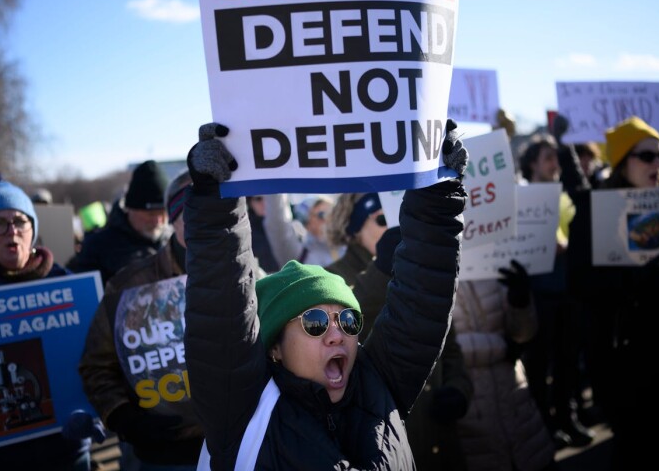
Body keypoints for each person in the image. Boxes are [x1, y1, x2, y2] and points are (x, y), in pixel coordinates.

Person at [183, 120, 468, 469]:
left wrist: (438, 189)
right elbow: (221, 310)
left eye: (348, 321)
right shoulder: (243, 412)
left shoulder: (378, 385)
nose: (337, 334)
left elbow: (422, 299)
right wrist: (215, 202)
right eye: (315, 322)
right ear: (275, 347)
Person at [567, 116, 659, 470]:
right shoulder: (593, 215)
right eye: (646, 156)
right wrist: (629, 282)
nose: (658, 163)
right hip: (627, 368)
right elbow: (581, 286)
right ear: (621, 162)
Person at [0, 181, 92, 470]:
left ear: (32, 229)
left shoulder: (70, 288)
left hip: (66, 451)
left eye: (20, 221)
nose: (12, 231)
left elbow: (98, 364)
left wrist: (95, 410)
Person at [79, 169, 205, 471]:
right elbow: (96, 367)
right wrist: (126, 419)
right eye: (190, 212)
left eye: (214, 212)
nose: (203, 221)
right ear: (173, 220)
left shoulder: (249, 277)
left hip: (241, 448)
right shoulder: (130, 287)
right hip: (163, 456)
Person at [354, 226, 473, 471]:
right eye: (380, 219)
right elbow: (350, 326)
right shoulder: (336, 274)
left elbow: (449, 349)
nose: (389, 225)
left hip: (443, 442)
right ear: (355, 228)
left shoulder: (420, 269)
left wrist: (459, 389)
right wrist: (380, 270)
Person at [517, 133, 594, 447]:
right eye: (548, 157)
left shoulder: (564, 195)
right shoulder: (519, 198)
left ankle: (567, 417)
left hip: (567, 290)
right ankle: (545, 426)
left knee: (567, 360)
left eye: (556, 157)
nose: (555, 164)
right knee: (538, 366)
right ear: (532, 164)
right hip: (537, 295)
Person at [453, 260, 556, 471]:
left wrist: (521, 303)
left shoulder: (491, 260)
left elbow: (523, 335)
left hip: (518, 405)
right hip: (469, 418)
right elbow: (439, 350)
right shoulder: (424, 274)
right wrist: (501, 346)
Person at [69, 160, 171, 283]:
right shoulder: (98, 247)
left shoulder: (177, 239)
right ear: (130, 209)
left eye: (163, 213)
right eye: (151, 214)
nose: (158, 221)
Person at [323, 191, 388, 284]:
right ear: (356, 229)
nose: (392, 227)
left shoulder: (404, 266)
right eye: (382, 219)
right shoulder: (332, 278)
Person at [262, 194, 343, 268]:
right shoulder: (300, 253)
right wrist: (276, 187)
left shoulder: (346, 246)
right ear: (307, 223)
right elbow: (277, 222)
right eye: (322, 215)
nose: (329, 220)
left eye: (333, 213)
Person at [246, 195, 281, 273]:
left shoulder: (285, 226)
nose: (264, 202)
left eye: (268, 198)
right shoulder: (246, 231)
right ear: (250, 203)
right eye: (258, 199)